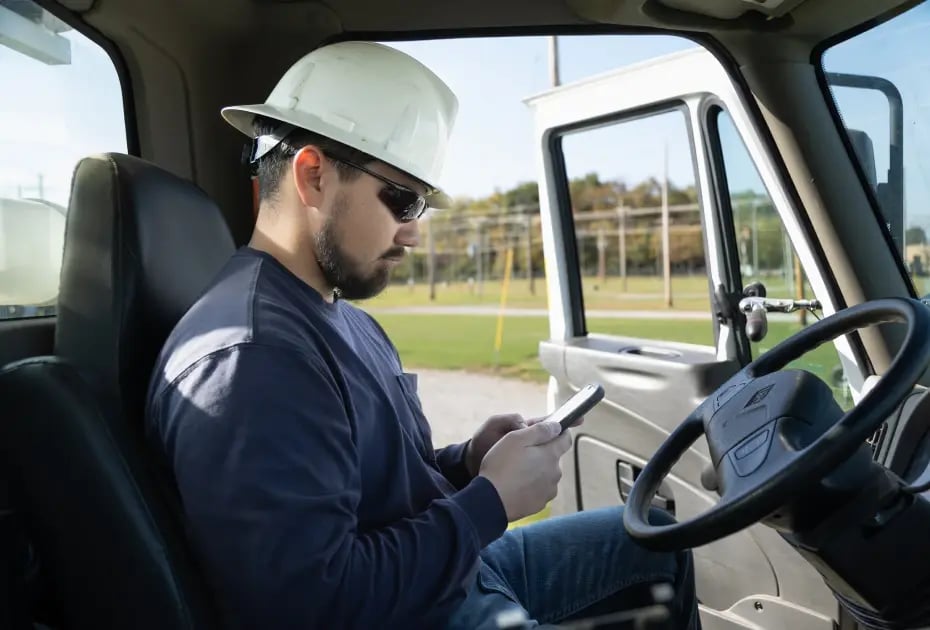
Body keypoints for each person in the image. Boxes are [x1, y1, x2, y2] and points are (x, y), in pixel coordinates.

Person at [145, 40, 700, 630]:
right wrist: (490, 502)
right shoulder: (251, 360)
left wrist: (466, 463)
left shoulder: (341, 317)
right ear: (313, 176)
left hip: (452, 576)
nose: (412, 235)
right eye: (403, 200)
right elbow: (314, 606)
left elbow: (367, 489)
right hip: (420, 608)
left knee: (653, 540)